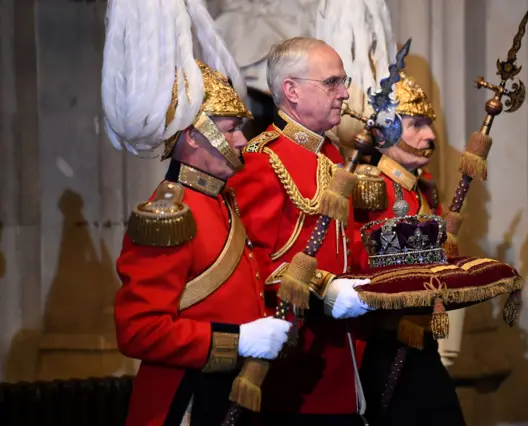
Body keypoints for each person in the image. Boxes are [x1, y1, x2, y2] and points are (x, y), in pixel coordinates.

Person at [101, 1, 291, 425]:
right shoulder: (167, 216)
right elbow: (139, 330)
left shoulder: (219, 200)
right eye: (229, 129)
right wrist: (236, 340)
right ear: (192, 135)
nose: (242, 140)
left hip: (230, 396)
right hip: (184, 403)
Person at [227, 36, 374, 426]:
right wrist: (325, 286)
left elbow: (348, 245)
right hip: (295, 357)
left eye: (344, 81)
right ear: (291, 90)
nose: (344, 93)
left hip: (343, 345)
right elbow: (252, 266)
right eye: (332, 83)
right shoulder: (262, 159)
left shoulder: (329, 154)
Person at [350, 72, 467, 426]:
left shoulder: (424, 189)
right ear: (385, 130)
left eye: (428, 124)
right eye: (416, 124)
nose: (430, 135)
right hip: (381, 348)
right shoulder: (366, 186)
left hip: (422, 343)